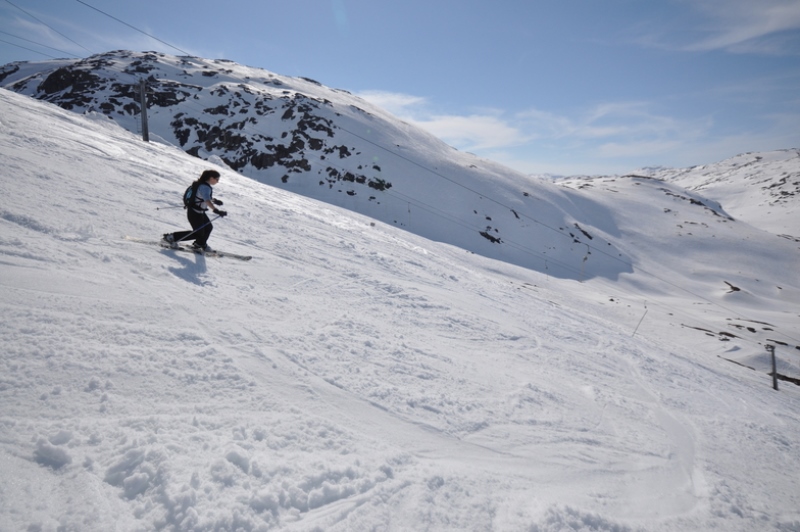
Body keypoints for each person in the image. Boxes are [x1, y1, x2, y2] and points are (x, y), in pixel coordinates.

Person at [162, 170, 227, 252]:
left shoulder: (201, 185)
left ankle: (200, 244)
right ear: (211, 178)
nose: (218, 181)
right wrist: (216, 210)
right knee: (198, 233)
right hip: (195, 213)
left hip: (198, 212)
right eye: (217, 179)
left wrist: (215, 200)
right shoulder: (205, 187)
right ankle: (171, 237)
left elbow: (202, 196)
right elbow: (206, 200)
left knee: (208, 228)